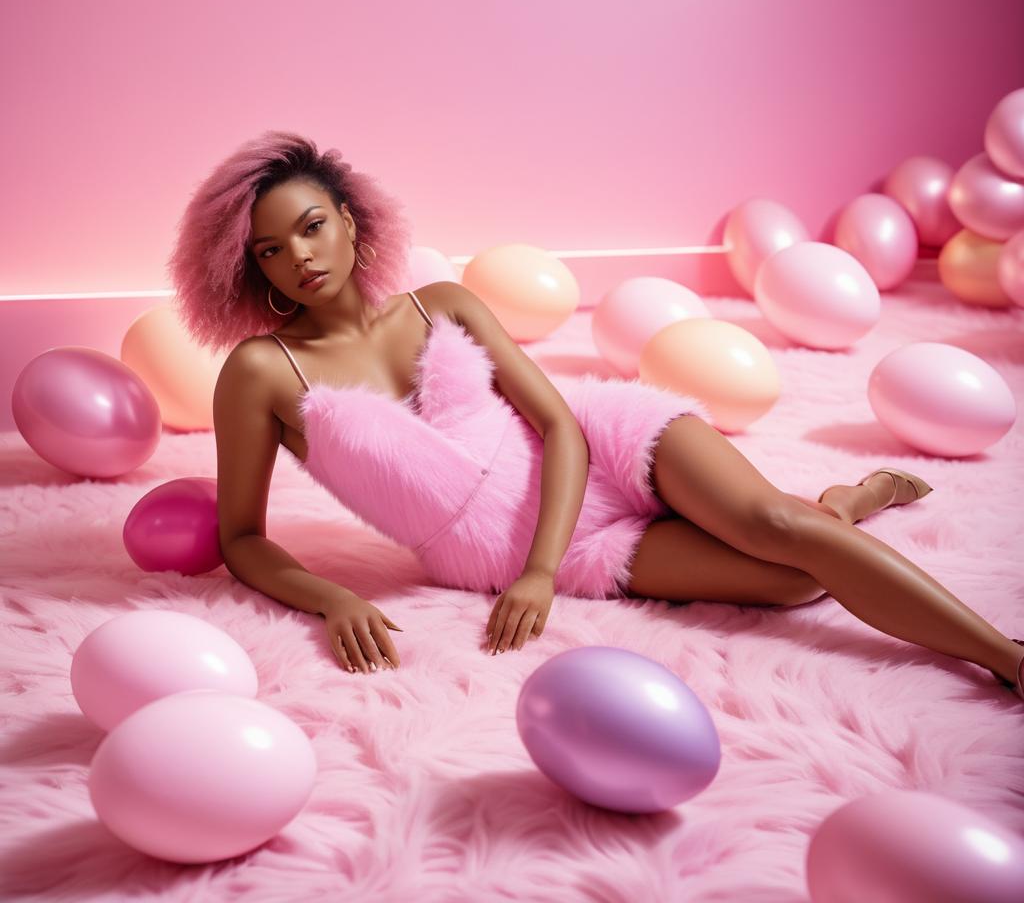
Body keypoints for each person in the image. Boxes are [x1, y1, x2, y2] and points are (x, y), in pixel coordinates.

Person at [167, 130, 1023, 701]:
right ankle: (846, 502)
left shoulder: (441, 302)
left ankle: (1008, 660)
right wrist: (330, 598)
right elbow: (242, 537)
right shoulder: (259, 373)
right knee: (794, 577)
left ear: (351, 222)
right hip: (547, 550)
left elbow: (560, 424)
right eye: (270, 250)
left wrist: (536, 575)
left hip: (604, 448)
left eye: (312, 227)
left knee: (771, 522)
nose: (299, 258)